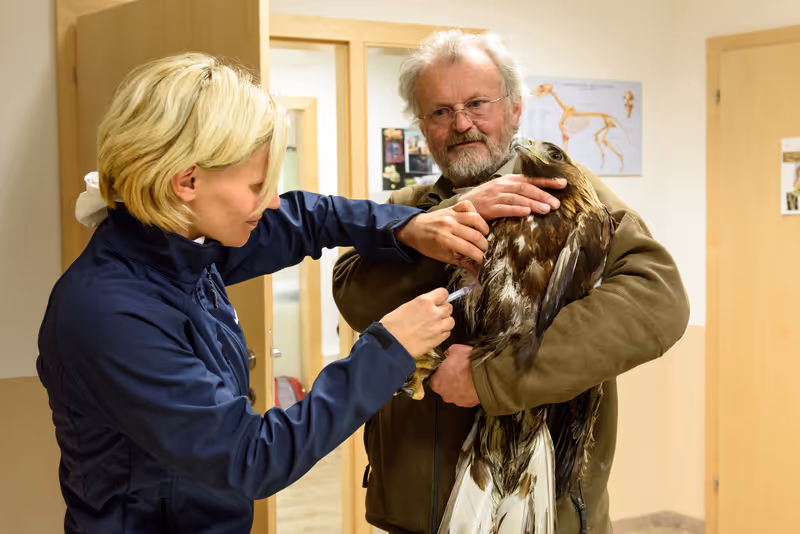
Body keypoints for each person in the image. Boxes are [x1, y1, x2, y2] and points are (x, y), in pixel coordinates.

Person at [36, 52, 493, 534]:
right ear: (187, 181)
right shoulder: (110, 315)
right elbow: (252, 456)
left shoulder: (182, 245)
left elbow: (305, 219)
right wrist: (389, 349)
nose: (271, 200)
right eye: (257, 185)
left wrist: (407, 226)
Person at [333, 30, 690, 534]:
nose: (461, 124)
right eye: (440, 111)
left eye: (477, 104)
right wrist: (448, 222)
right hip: (415, 512)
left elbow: (657, 300)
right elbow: (352, 293)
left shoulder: (566, 193)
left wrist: (491, 377)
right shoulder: (405, 207)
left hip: (544, 510)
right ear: (422, 126)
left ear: (515, 108)